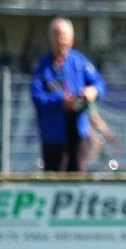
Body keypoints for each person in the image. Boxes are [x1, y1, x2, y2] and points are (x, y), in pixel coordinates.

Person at [30, 17, 113, 172]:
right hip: (53, 134)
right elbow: (36, 96)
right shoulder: (43, 66)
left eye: (64, 37)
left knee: (77, 173)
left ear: (71, 40)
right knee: (54, 175)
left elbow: (99, 84)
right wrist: (60, 101)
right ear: (51, 40)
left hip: (78, 131)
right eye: (58, 36)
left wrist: (92, 91)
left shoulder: (78, 62)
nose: (61, 41)